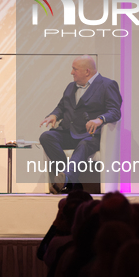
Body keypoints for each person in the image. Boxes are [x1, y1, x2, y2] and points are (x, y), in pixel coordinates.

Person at [39, 55, 121, 193]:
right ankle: (70, 180)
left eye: (74, 69)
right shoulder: (71, 87)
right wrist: (54, 115)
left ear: (87, 71)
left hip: (90, 135)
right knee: (46, 137)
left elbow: (115, 111)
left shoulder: (107, 85)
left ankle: (66, 180)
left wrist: (100, 119)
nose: (71, 72)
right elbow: (61, 107)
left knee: (83, 144)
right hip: (69, 132)